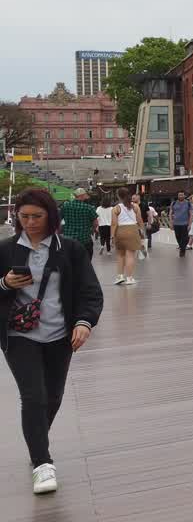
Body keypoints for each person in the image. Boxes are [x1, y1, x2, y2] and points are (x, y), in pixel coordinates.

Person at [1, 189, 103, 495]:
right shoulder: (5, 250)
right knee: (34, 396)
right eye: (24, 217)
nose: (30, 223)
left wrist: (84, 322)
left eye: (37, 216)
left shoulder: (70, 250)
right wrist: (4, 283)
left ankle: (36, 438)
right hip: (19, 336)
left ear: (51, 216)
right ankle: (41, 463)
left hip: (59, 336)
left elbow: (90, 292)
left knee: (54, 397)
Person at [110, 188, 143, 285]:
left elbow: (114, 223)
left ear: (118, 196)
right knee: (130, 256)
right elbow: (139, 220)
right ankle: (129, 278)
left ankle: (120, 276)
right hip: (132, 230)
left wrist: (112, 236)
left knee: (120, 255)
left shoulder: (116, 208)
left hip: (120, 231)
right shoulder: (135, 206)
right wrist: (142, 231)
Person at [170, 191, 192, 258]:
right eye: (179, 195)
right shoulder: (173, 203)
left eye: (182, 195)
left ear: (184, 196)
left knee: (184, 238)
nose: (180, 196)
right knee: (178, 236)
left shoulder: (188, 203)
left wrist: (190, 224)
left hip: (185, 224)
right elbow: (170, 213)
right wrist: (171, 223)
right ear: (177, 196)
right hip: (176, 223)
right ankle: (182, 246)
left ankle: (182, 250)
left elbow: (191, 214)